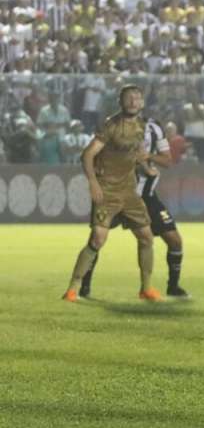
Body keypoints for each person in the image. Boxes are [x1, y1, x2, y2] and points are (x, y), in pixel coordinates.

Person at [62, 85, 162, 302]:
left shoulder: (141, 126)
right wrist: (93, 183)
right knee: (98, 239)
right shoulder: (111, 125)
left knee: (146, 237)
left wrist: (146, 167)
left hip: (129, 191)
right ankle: (73, 288)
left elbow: (135, 151)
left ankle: (146, 289)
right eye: (129, 98)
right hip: (106, 190)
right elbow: (87, 155)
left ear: (142, 103)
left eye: (137, 98)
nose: (134, 102)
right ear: (121, 102)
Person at [79, 114, 189, 298]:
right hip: (115, 193)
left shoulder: (155, 129)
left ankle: (173, 287)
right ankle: (84, 286)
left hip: (147, 197)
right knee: (97, 240)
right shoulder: (112, 128)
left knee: (175, 240)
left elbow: (167, 161)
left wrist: (149, 156)